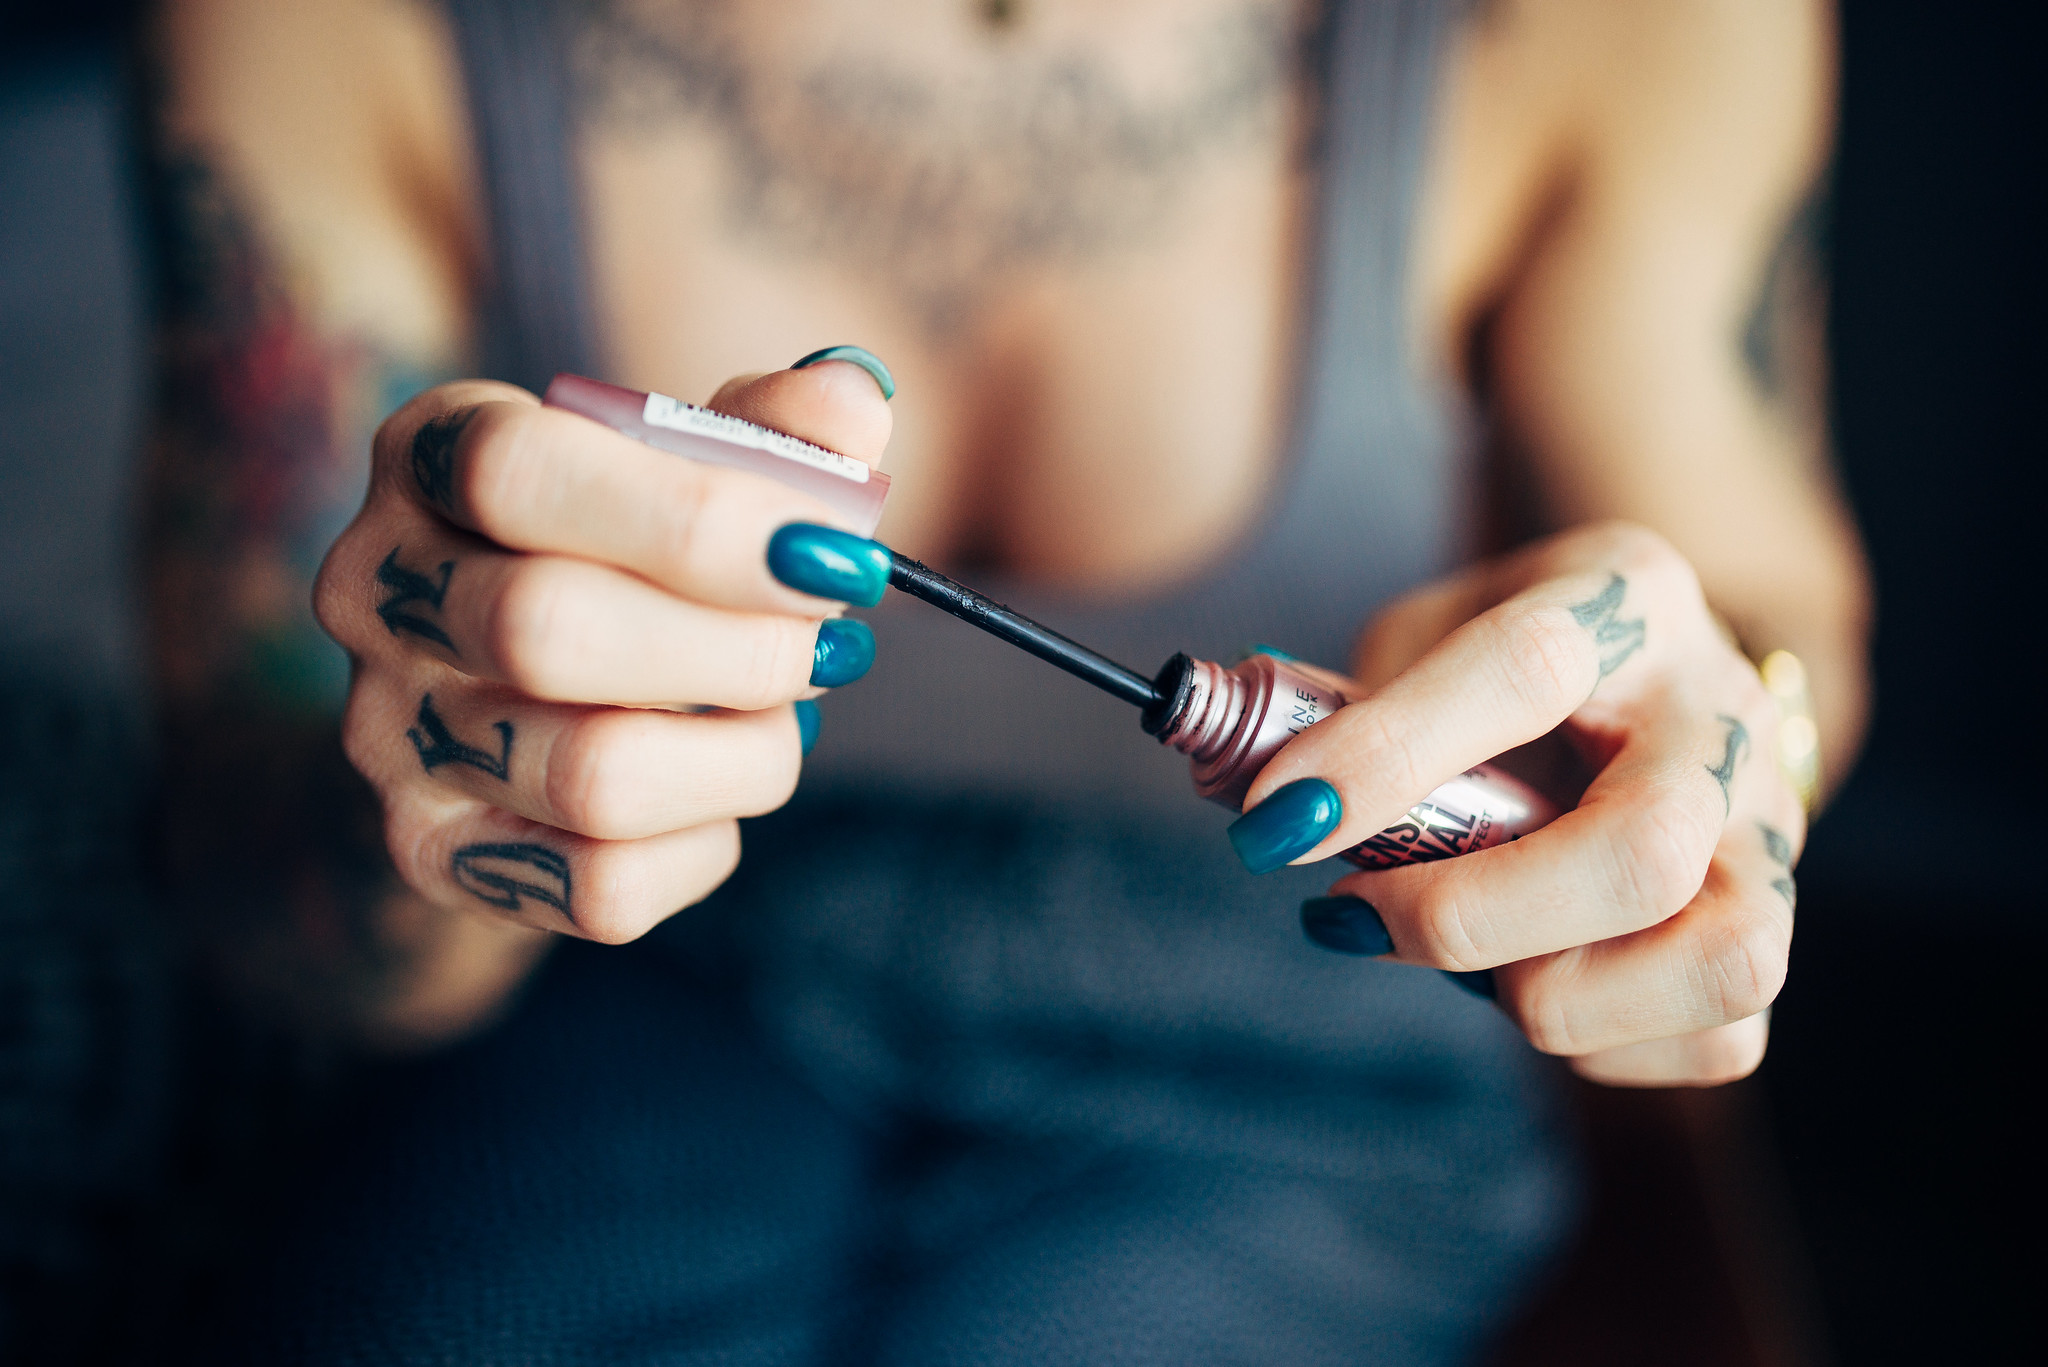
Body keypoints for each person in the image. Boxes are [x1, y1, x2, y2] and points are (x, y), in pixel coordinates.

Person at [145, 0, 1868, 1360]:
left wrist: (1727, 731)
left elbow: (1775, 613)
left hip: (1294, 1078)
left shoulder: (1632, 21)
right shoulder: (332, 26)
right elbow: (268, 896)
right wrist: (438, 800)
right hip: (649, 994)